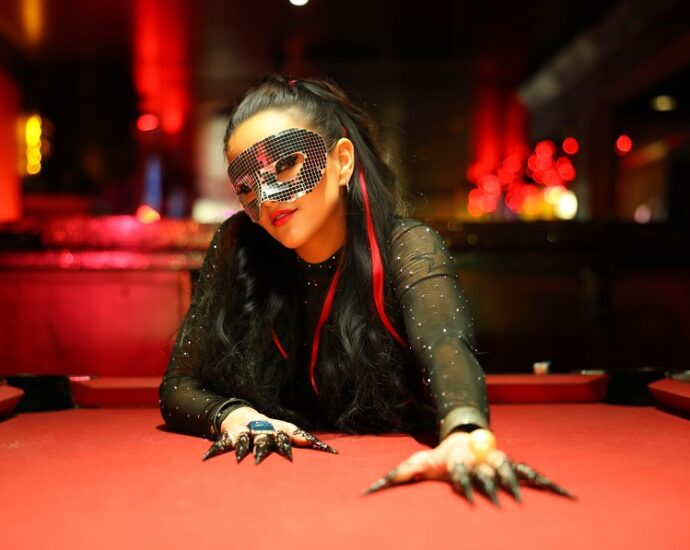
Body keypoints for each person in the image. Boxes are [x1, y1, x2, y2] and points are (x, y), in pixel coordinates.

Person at [159, 75, 572, 505]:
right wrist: (234, 416)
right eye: (246, 186)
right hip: (269, 501)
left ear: (341, 160)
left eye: (285, 165)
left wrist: (466, 432)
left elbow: (446, 345)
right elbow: (178, 384)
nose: (267, 197)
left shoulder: (405, 247)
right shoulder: (238, 245)